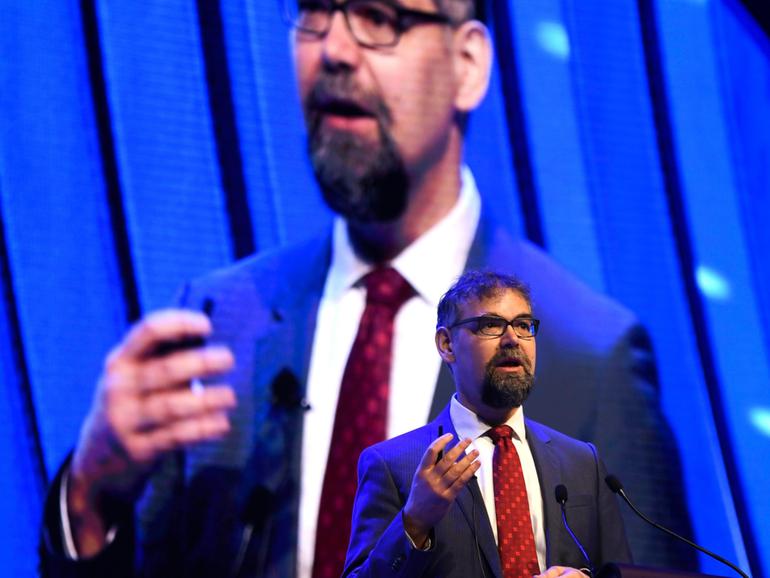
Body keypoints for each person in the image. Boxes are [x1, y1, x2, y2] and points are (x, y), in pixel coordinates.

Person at [39, 0, 693, 576]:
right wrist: (91, 499)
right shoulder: (220, 324)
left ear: (467, 64)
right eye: (316, 11)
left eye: (379, 18)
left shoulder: (591, 357)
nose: (334, 50)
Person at [343, 270, 631, 577]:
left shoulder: (581, 462)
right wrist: (414, 522)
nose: (512, 340)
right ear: (447, 344)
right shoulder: (394, 465)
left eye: (523, 325)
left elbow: (620, 572)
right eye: (490, 325)